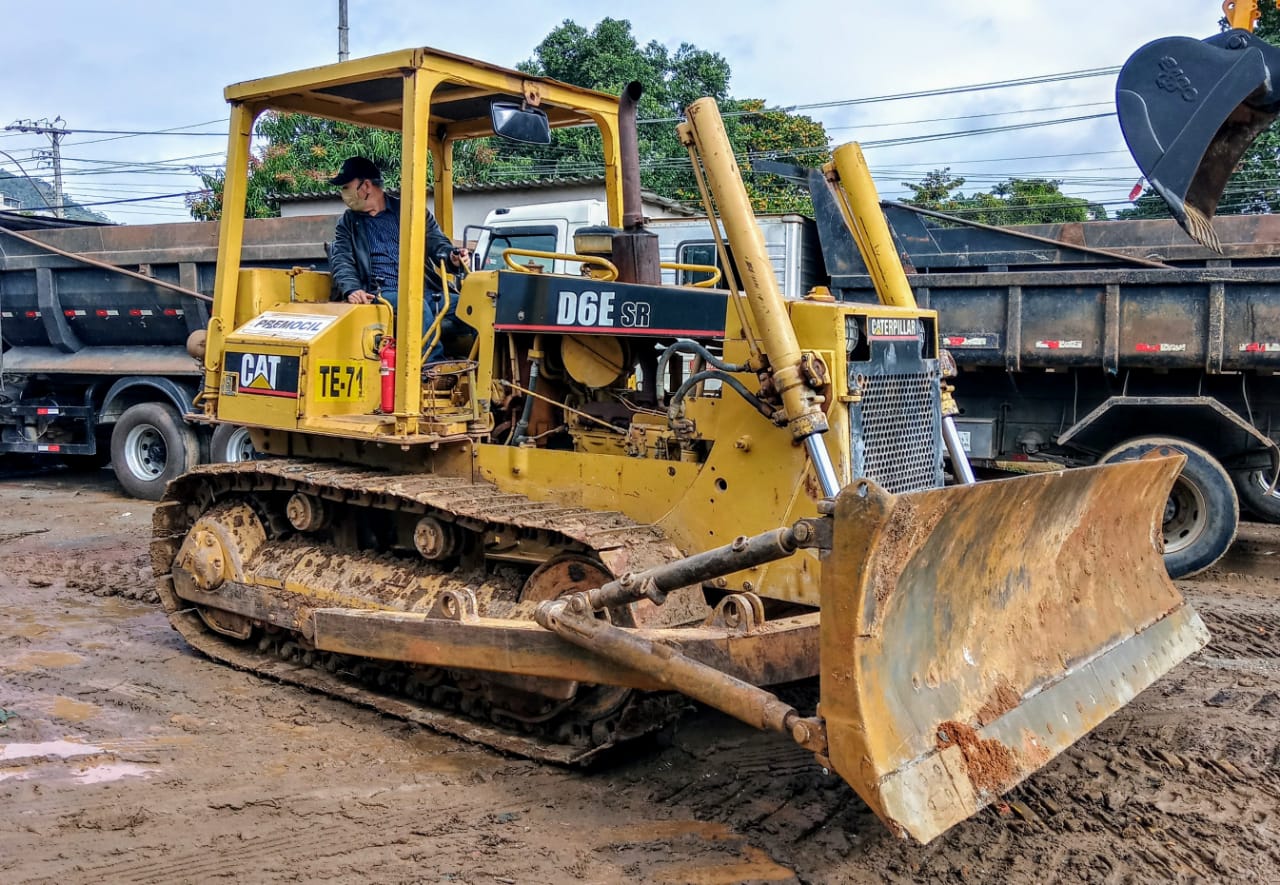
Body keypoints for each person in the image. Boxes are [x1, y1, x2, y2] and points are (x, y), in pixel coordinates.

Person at [327, 156, 469, 359]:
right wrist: (352, 288)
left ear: (366, 186)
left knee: (474, 305)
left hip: (425, 291)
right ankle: (432, 370)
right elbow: (342, 259)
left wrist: (451, 257)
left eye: (346, 187)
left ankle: (489, 372)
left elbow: (437, 243)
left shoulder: (412, 213)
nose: (343, 194)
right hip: (381, 293)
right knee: (414, 305)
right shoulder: (347, 223)